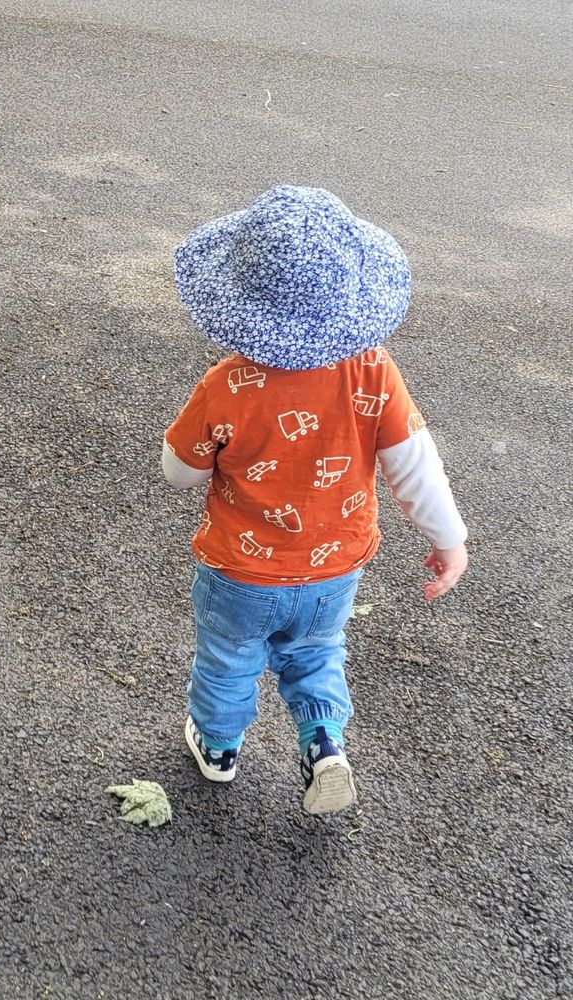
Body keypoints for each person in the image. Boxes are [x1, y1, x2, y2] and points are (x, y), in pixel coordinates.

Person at [162, 186, 468, 814]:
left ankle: (219, 748)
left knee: (229, 656)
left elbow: (179, 472)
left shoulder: (227, 385)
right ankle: (325, 742)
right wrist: (449, 539)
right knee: (317, 653)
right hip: (335, 568)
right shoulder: (373, 370)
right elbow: (414, 465)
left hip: (239, 570)